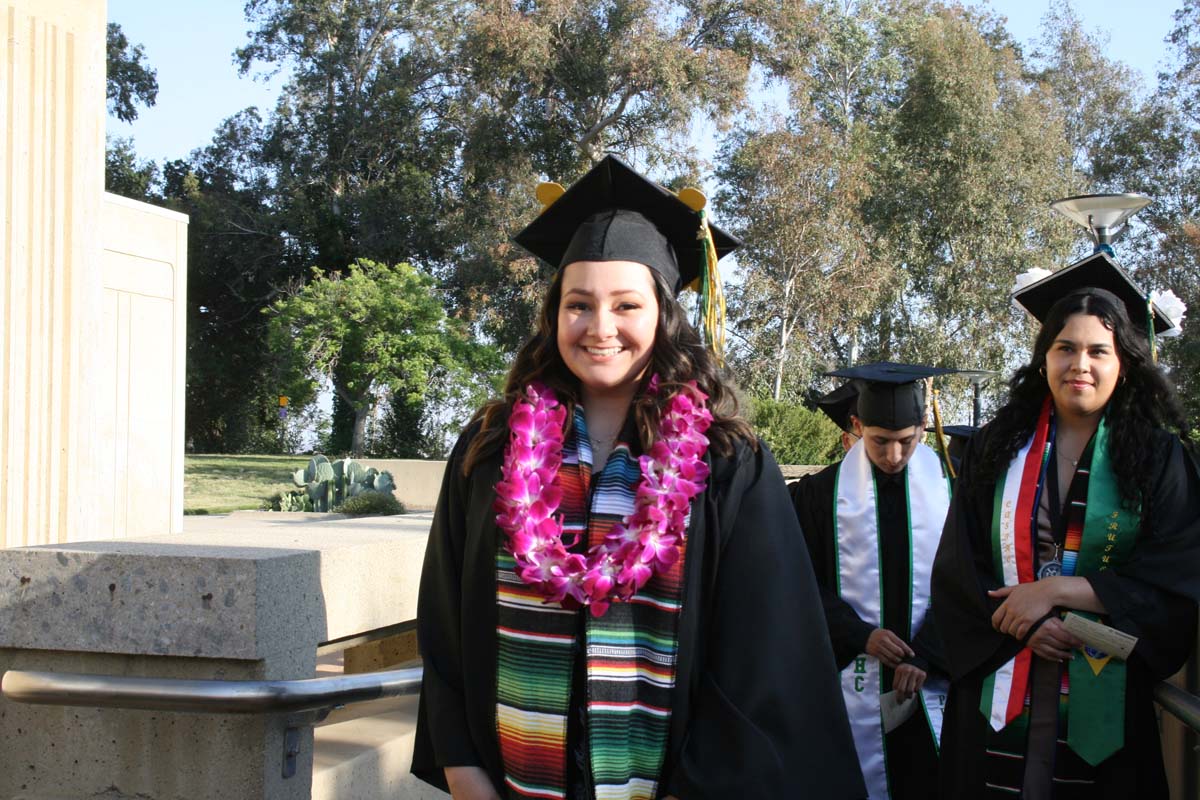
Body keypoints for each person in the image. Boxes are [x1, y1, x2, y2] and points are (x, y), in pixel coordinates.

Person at [412, 154, 866, 800]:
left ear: (663, 314)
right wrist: (463, 769)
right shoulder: (491, 451)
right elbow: (445, 623)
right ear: (553, 314)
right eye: (579, 304)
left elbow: (764, 658)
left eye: (626, 304)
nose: (600, 328)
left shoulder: (726, 463)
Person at [932, 254, 1200, 799]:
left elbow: (1177, 575)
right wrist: (1020, 621)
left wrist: (1056, 592)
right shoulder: (995, 448)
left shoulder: (1159, 458)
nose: (1081, 364)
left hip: (1107, 688)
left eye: (1098, 351)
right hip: (999, 674)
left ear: (1123, 362)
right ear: (1043, 360)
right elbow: (960, 566)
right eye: (1065, 348)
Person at [791, 362, 954, 800]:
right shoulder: (818, 495)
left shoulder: (955, 492)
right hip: (848, 684)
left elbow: (971, 585)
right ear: (859, 425)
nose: (894, 456)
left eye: (907, 441)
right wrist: (859, 634)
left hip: (932, 685)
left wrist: (927, 655)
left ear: (923, 427)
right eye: (880, 441)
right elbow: (798, 581)